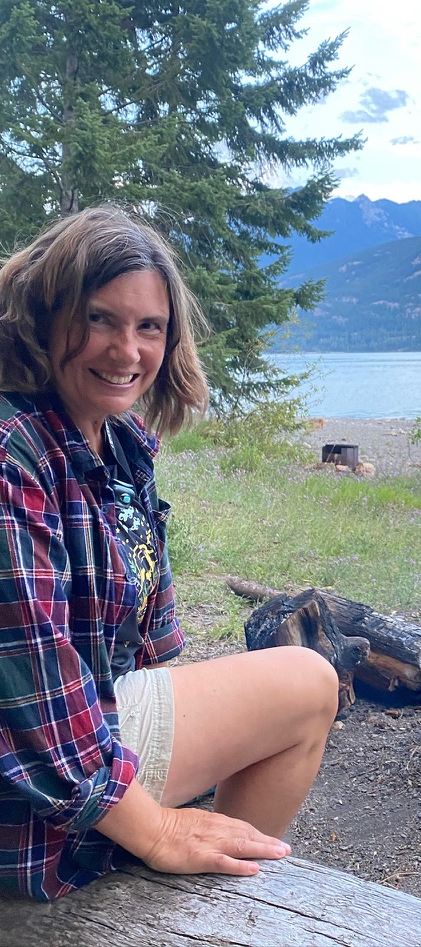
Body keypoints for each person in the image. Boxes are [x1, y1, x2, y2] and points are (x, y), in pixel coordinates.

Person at [0, 206, 339, 901]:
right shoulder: (14, 452)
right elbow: (28, 693)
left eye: (148, 326)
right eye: (98, 319)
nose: (127, 351)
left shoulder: (119, 447)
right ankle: (189, 902)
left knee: (298, 689)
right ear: (43, 317)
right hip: (23, 798)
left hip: (89, 722)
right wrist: (155, 830)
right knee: (308, 686)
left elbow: (151, 649)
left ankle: (198, 900)